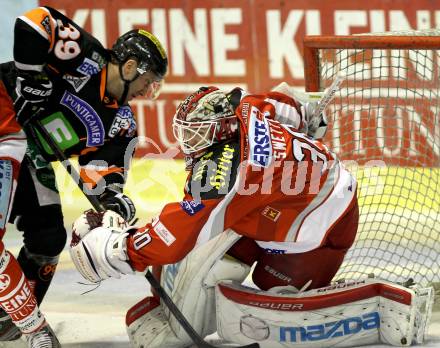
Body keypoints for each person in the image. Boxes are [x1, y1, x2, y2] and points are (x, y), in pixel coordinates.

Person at [69, 85, 367, 347]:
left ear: (221, 128)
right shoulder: (244, 106)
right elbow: (283, 103)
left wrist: (121, 250)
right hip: (293, 196)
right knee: (220, 247)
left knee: (271, 285)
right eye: (186, 133)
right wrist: (306, 112)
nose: (190, 144)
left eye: (197, 134)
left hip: (326, 222)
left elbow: (175, 237)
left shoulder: (225, 172)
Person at [0, 5, 167, 347]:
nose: (146, 93)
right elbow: (35, 21)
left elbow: (102, 179)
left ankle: (6, 317)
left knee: (48, 240)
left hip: (33, 158)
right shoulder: (86, 57)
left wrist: (113, 204)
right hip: (5, 126)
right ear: (132, 67)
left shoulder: (120, 123)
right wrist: (30, 75)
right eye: (148, 83)